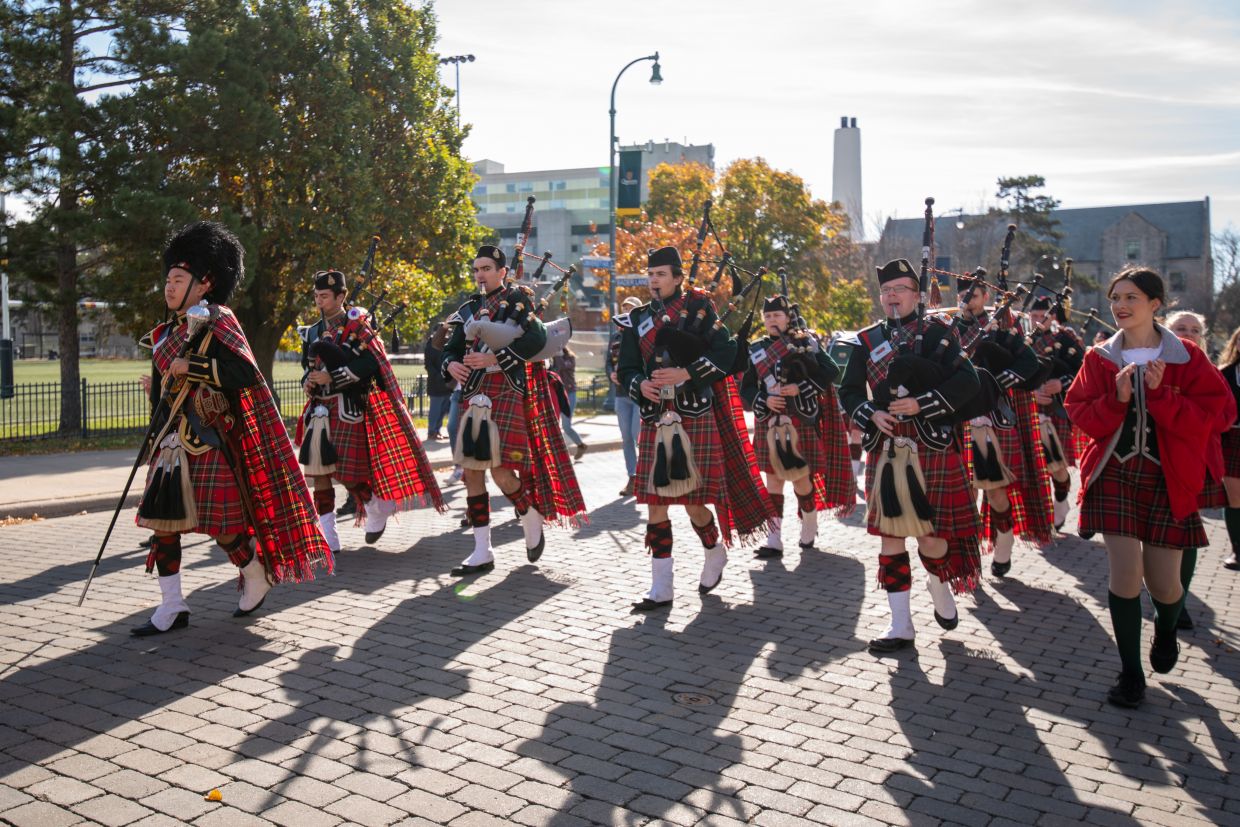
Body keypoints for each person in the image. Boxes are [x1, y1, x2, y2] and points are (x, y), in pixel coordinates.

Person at [132, 221, 332, 636]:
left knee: (224, 527)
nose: (169, 287)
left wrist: (195, 366)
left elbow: (245, 372)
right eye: (167, 279)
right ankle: (171, 606)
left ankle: (254, 571)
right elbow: (162, 398)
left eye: (178, 279)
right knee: (162, 525)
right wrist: (156, 414)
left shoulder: (221, 320)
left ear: (205, 284)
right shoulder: (165, 333)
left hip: (209, 441)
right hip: (172, 443)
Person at [1065, 267, 1233, 709]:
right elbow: (1080, 414)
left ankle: (1166, 628)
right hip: (1115, 475)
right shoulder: (1099, 358)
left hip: (1168, 478)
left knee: (1164, 586)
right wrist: (1116, 398)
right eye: (1115, 297)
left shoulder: (1188, 357)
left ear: (1155, 303)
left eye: (1131, 297)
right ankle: (1131, 674)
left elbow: (1220, 416)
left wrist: (1163, 395)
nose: (1120, 305)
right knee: (1124, 575)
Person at [616, 246, 773, 612]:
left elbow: (727, 356)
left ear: (677, 278)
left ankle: (713, 548)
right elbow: (626, 369)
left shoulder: (702, 310)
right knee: (655, 502)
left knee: (692, 503)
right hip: (656, 415)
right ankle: (661, 588)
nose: (653, 281)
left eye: (660, 275)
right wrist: (641, 385)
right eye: (650, 274)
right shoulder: (636, 318)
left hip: (693, 413)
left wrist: (686, 373)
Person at [839, 259, 983, 654]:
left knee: (933, 540)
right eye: (886, 290)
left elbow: (968, 381)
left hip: (931, 445)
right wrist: (872, 413)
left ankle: (939, 586)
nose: (891, 296)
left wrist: (924, 404)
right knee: (890, 538)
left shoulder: (940, 333)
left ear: (918, 295)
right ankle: (900, 625)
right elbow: (848, 392)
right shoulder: (866, 340)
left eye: (899, 289)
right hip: (886, 449)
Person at [442, 245, 586, 576]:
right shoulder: (468, 308)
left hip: (506, 390)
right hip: (473, 393)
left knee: (501, 472)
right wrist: (450, 364)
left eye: (487, 268)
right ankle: (481, 551)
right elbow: (450, 349)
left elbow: (535, 340)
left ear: (502, 271)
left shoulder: (518, 300)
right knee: (472, 472)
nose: (480, 274)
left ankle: (529, 513)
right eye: (477, 268)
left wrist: (493, 358)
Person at [296, 269, 443, 552]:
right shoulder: (312, 331)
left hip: (347, 407)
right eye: (316, 296)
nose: (319, 302)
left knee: (347, 472)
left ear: (341, 296)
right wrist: (308, 381)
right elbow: (306, 364)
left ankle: (375, 504)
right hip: (319, 408)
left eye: (324, 296)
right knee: (318, 471)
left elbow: (371, 364)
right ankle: (329, 536)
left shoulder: (359, 327)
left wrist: (334, 377)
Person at [952, 271, 1053, 577]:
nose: (968, 300)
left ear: (985, 297)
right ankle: (969, 556)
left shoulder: (1001, 328)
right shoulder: (949, 331)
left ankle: (1004, 542)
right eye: (963, 295)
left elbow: (1028, 363)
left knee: (996, 491)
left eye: (974, 294)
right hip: (958, 420)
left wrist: (995, 383)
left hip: (992, 420)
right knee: (963, 494)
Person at [741, 291, 854, 558]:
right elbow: (747, 388)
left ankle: (809, 522)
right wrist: (764, 399)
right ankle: (774, 538)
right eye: (767, 316)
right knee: (773, 481)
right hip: (769, 420)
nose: (772, 320)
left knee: (801, 480)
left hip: (799, 418)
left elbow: (831, 371)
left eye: (777, 315)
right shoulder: (756, 348)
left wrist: (799, 387)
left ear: (788, 317)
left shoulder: (804, 341)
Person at [1027, 296, 1086, 530]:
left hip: (1057, 409)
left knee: (1057, 466)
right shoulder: (1023, 340)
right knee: (1033, 467)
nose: (1038, 321)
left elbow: (1083, 370)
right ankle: (1040, 516)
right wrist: (1032, 392)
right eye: (1034, 316)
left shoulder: (1067, 338)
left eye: (1043, 316)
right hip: (1030, 410)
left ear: (1053, 317)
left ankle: (1061, 501)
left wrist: (1062, 384)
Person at [608, 295, 644, 496]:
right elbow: (608, 361)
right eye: (624, 309)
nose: (626, 313)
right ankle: (632, 477)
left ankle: (646, 474)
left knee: (636, 435)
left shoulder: (642, 333)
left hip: (638, 394)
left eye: (630, 309)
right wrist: (611, 375)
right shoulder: (615, 337)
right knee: (626, 438)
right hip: (621, 394)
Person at [550, 345, 588, 460]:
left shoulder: (570, 358)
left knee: (566, 426)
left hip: (570, 394)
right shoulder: (553, 360)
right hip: (558, 395)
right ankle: (558, 453)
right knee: (554, 424)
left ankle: (581, 446)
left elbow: (562, 367)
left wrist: (558, 355)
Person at [424, 322, 454, 441]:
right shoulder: (430, 345)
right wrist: (439, 376)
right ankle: (432, 432)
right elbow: (429, 365)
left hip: (446, 383)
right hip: (436, 383)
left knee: (442, 410)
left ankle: (437, 431)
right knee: (435, 410)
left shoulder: (447, 344)